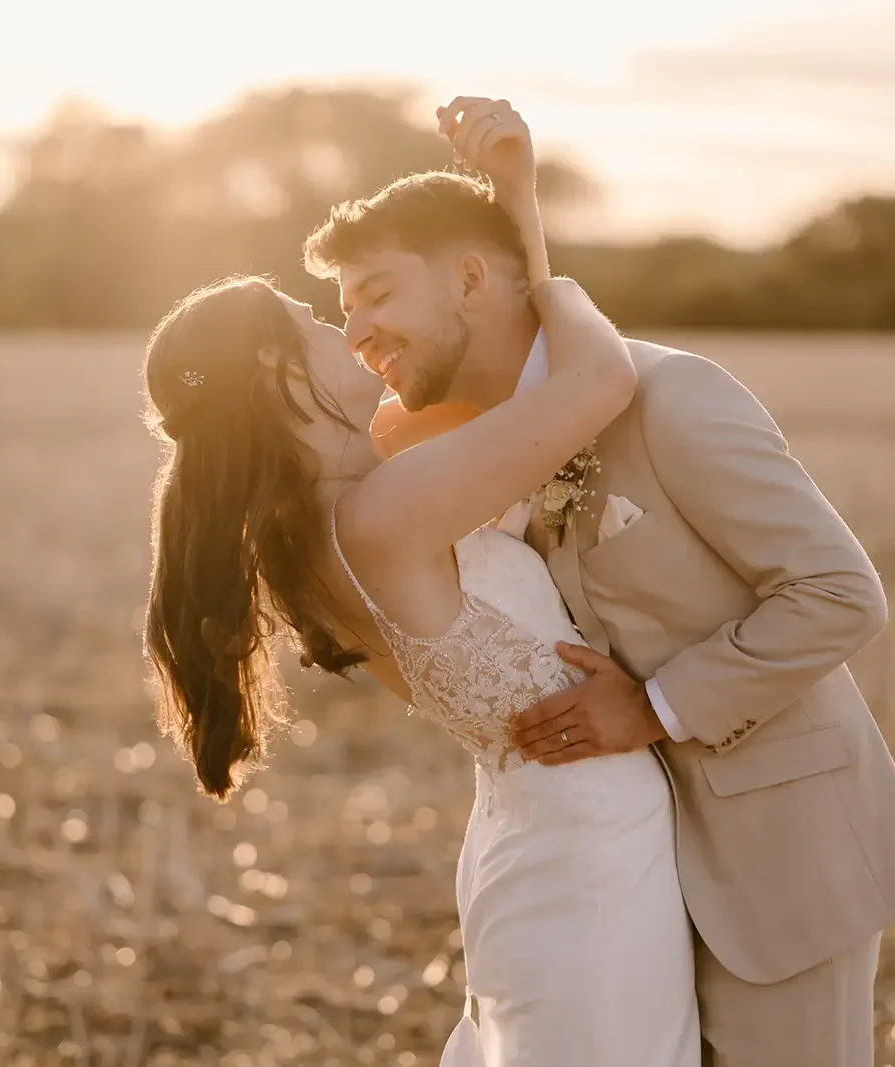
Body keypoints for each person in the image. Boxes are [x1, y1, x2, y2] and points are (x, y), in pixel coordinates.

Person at [302, 96, 895, 1067]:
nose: (358, 330)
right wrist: (513, 196)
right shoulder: (486, 442)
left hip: (779, 856)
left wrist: (653, 707)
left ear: (470, 276)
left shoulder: (672, 398)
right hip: (630, 875)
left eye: (375, 292)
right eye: (343, 309)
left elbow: (838, 592)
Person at [143, 101, 699, 1065]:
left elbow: (509, 375)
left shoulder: (327, 514)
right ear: (278, 372)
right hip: (586, 867)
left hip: (556, 844)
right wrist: (554, 278)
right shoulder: (382, 514)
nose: (350, 331)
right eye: (319, 320)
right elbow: (595, 383)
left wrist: (512, 206)